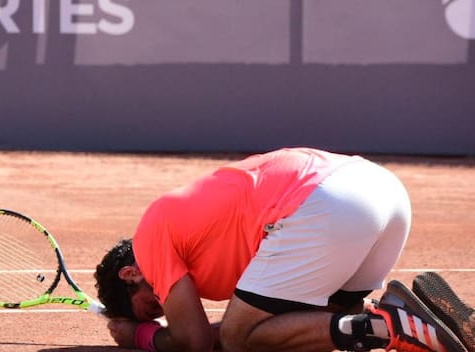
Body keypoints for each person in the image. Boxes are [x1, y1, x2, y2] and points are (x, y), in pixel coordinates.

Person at [94, 147, 472, 352]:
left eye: (153, 305)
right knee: (307, 327)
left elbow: (194, 341)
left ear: (131, 273)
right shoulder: (183, 226)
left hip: (326, 204)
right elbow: (243, 329)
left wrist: (140, 337)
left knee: (240, 339)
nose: (166, 311)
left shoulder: (149, 238)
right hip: (382, 191)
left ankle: (387, 325)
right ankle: (416, 322)